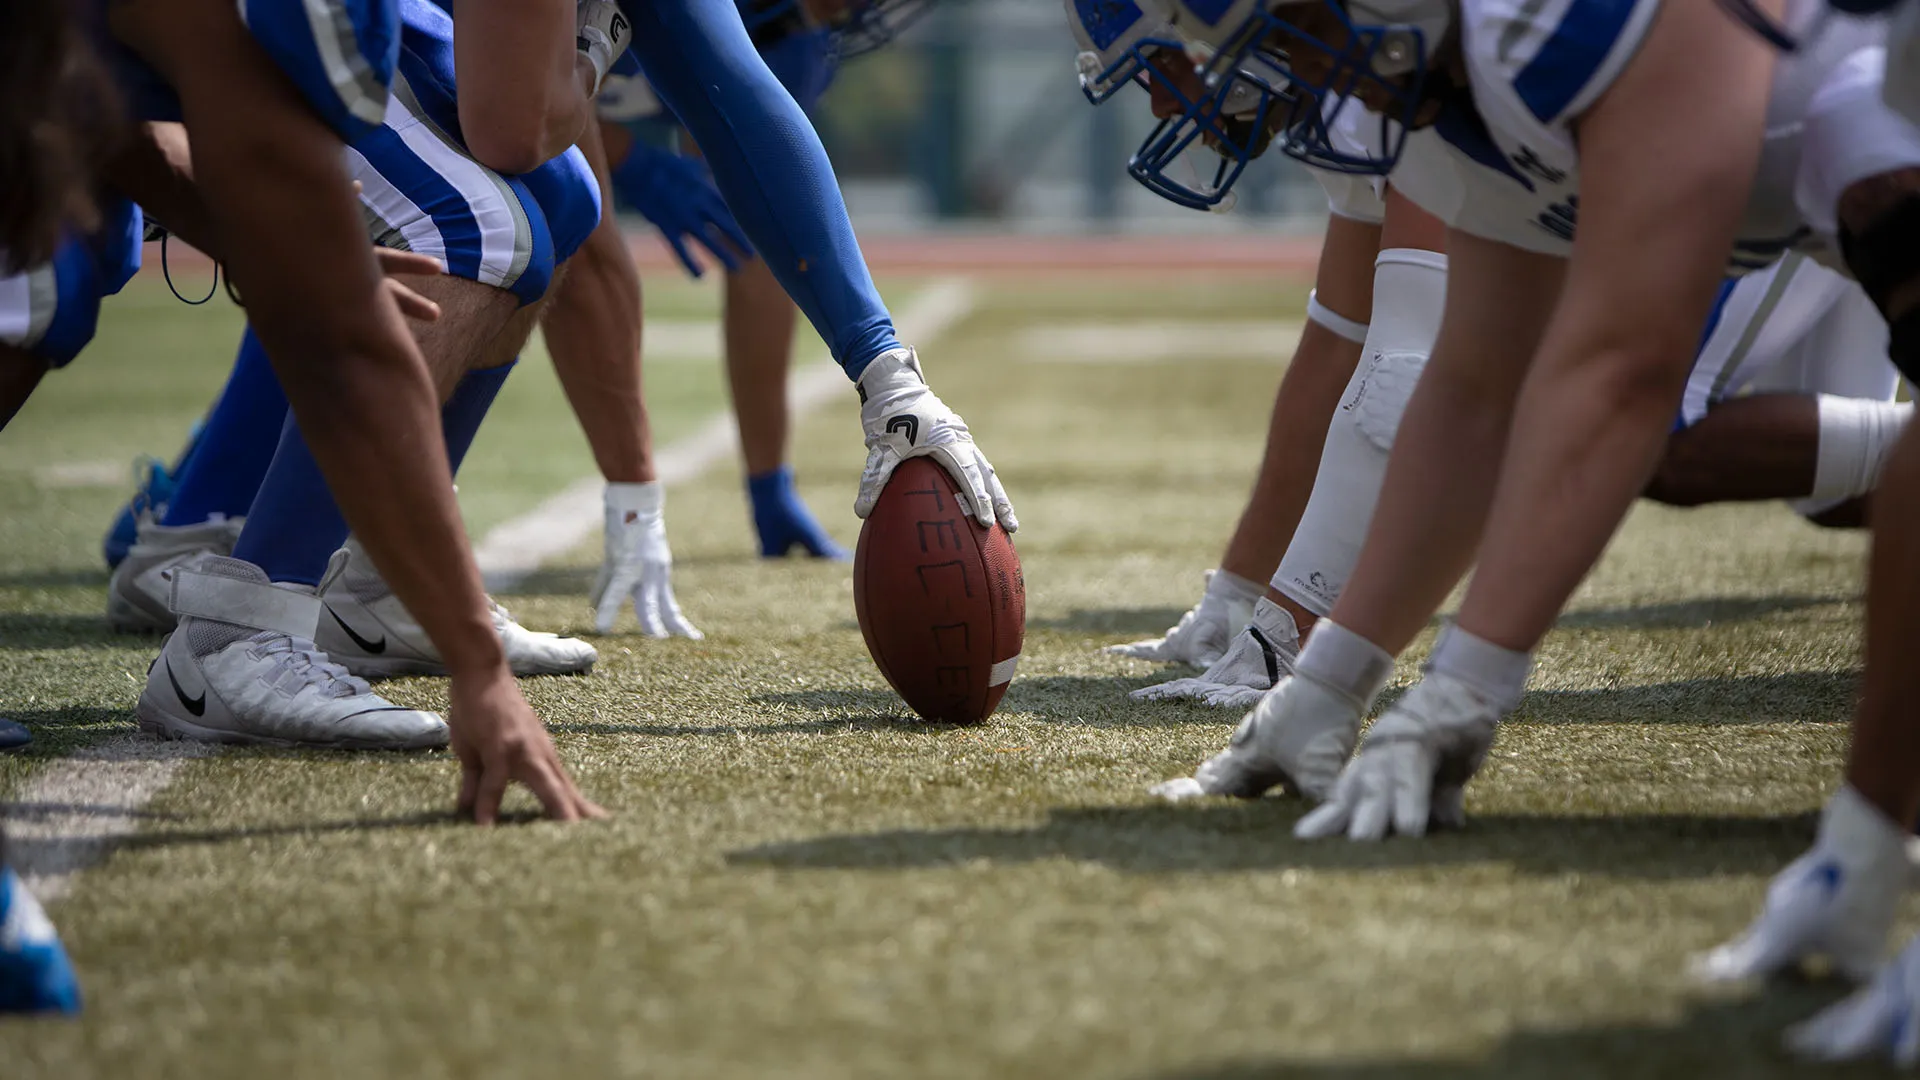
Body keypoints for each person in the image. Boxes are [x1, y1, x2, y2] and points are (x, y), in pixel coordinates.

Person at [1138, 0, 1913, 847]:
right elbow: (1478, 388)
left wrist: (1465, 688)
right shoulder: (1436, 95)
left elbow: (1625, 372)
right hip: (1816, 192)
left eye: (1303, 36)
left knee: (1667, 425)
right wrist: (1330, 683)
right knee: (1845, 493)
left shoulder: (1541, 28)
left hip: (1874, 135)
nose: (1313, 77)